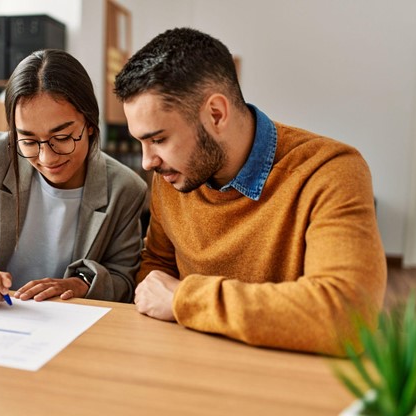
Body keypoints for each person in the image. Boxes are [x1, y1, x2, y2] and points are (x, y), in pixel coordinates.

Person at [113, 28, 386, 356]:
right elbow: (158, 265)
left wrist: (184, 301)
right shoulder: (172, 175)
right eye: (140, 142)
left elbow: (348, 315)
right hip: (189, 365)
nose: (146, 162)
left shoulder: (329, 170)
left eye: (158, 139)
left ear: (216, 114)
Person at [0, 49, 147, 308]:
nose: (46, 157)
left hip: (68, 328)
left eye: (62, 138)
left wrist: (81, 284)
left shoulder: (125, 188)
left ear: (89, 124)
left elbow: (124, 278)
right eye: (29, 140)